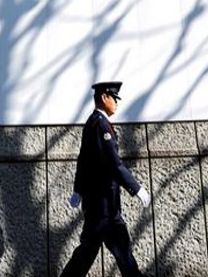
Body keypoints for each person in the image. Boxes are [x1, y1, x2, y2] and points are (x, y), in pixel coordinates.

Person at [60, 81, 151, 277]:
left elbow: (83, 160)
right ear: (104, 97)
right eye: (114, 98)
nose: (117, 103)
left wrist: (78, 189)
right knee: (113, 253)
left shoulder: (93, 123)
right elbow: (114, 163)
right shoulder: (100, 125)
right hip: (104, 208)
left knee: (97, 252)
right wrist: (136, 188)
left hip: (100, 206)